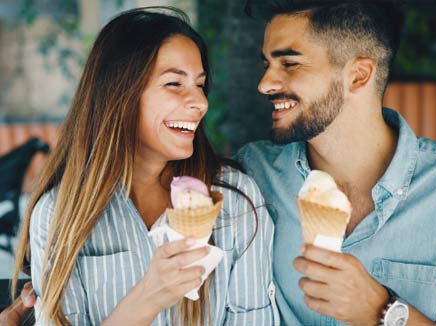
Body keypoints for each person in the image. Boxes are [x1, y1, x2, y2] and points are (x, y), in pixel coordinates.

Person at [236, 0, 436, 325]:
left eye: (289, 64)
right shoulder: (251, 175)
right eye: (267, 65)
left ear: (358, 76)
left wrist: (383, 312)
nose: (265, 84)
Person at [11, 7, 276, 325]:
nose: (200, 103)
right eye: (174, 84)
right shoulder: (59, 214)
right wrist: (148, 296)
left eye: (200, 85)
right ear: (120, 94)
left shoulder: (235, 201)